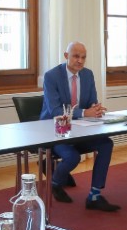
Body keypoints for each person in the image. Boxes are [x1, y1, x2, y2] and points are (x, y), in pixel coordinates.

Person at [40, 41, 120, 212]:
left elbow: (91, 101)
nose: (80, 61)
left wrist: (96, 108)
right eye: (76, 56)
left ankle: (94, 196)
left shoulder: (88, 75)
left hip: (80, 129)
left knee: (106, 143)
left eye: (83, 57)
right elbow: (54, 110)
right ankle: (55, 182)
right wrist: (85, 113)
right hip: (55, 131)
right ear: (66, 56)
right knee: (72, 157)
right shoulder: (51, 76)